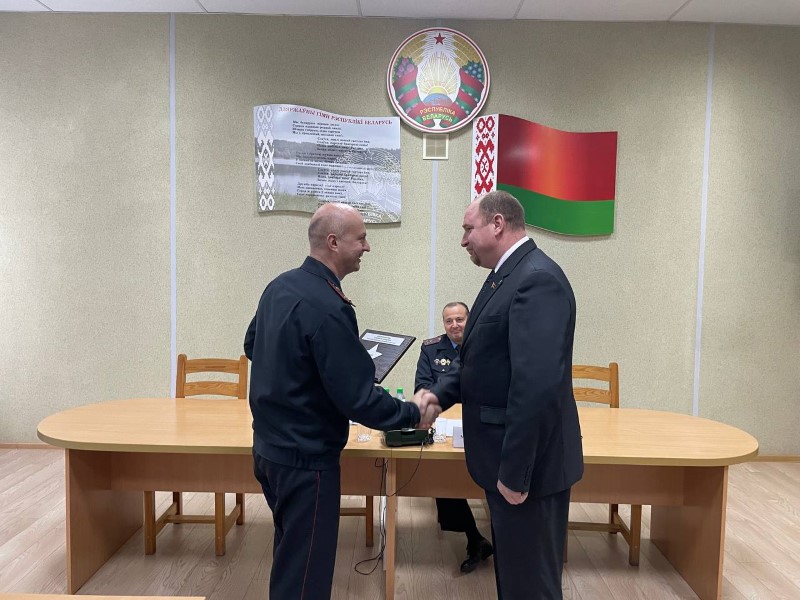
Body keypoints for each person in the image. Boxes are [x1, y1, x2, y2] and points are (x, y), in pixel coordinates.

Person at [244, 202, 440, 600]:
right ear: (333, 242)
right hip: (306, 461)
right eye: (361, 238)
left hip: (268, 450)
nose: (367, 247)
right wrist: (412, 413)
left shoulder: (279, 286)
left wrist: (317, 372)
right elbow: (359, 400)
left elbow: (252, 345)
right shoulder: (328, 306)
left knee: (291, 556)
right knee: (306, 575)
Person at [415, 190, 583, 599]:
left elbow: (536, 386)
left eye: (467, 229)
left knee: (530, 586)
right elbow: (478, 362)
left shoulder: (537, 279)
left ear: (497, 224)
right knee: (515, 579)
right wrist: (436, 396)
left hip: (527, 471)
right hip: (507, 462)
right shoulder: (505, 277)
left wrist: (515, 472)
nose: (463, 240)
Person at [414, 301, 493, 574]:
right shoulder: (430, 349)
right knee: (441, 471)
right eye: (449, 321)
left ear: (469, 320)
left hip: (481, 422)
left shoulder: (483, 345)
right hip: (446, 423)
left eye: (460, 319)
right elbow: (423, 387)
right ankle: (474, 537)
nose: (455, 325)